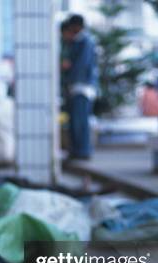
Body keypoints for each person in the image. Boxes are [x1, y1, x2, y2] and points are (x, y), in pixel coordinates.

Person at [60, 15, 98, 160]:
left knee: (80, 121)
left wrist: (67, 67)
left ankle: (82, 151)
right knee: (76, 121)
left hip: (82, 87)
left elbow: (81, 66)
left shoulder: (85, 41)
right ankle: (77, 151)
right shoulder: (79, 42)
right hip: (77, 87)